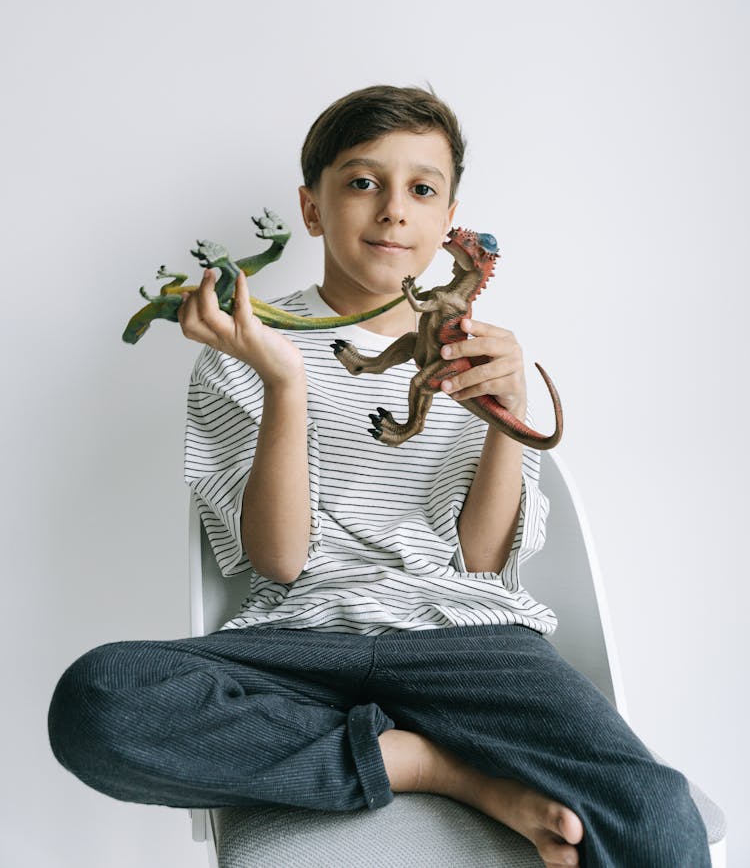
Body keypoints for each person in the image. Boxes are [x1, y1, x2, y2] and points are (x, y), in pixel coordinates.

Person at [49, 85, 710, 867]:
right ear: (313, 207)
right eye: (363, 182)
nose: (393, 210)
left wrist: (509, 409)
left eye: (421, 189)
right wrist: (285, 383)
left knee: (662, 821)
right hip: (301, 643)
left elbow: (483, 560)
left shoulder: (478, 351)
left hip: (468, 642)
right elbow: (280, 560)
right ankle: (433, 765)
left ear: (448, 217)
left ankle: (393, 754)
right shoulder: (242, 353)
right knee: (100, 698)